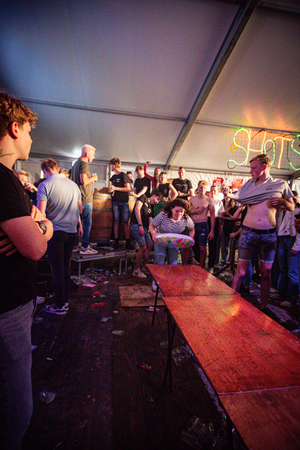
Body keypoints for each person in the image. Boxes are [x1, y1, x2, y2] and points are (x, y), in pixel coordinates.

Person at [0, 91, 53, 450]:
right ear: (14, 128)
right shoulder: (3, 179)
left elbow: (34, 232)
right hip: (6, 308)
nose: (32, 139)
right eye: (30, 130)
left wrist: (37, 224)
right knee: (15, 412)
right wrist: (41, 227)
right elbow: (35, 247)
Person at [230, 154, 294, 311]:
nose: (251, 171)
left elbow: (292, 206)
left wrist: (282, 201)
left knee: (266, 273)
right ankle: (229, 304)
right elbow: (238, 198)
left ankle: (264, 308)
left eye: (253, 168)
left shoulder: (280, 184)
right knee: (241, 271)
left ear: (264, 167)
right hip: (248, 232)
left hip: (268, 234)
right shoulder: (249, 185)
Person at [37, 158, 83, 315]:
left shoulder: (45, 185)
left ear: (44, 170)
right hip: (71, 232)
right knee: (65, 267)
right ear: (57, 167)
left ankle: (59, 305)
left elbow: (41, 215)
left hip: (55, 232)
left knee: (57, 269)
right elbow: (80, 210)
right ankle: (64, 300)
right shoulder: (74, 185)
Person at [149, 198, 195, 291]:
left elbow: (192, 229)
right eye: (176, 211)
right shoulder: (163, 215)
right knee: (160, 261)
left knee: (173, 263)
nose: (179, 214)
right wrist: (153, 233)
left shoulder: (186, 218)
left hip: (174, 241)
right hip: (161, 239)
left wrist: (191, 237)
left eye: (181, 211)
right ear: (171, 209)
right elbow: (152, 225)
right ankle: (156, 281)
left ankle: (170, 282)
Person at [70, 144, 98, 254]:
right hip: (85, 199)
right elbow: (84, 181)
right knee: (87, 222)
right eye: (92, 154)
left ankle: (76, 245)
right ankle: (85, 247)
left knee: (77, 223)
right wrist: (93, 178)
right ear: (87, 154)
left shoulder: (75, 164)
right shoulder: (84, 164)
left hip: (77, 198)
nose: (93, 157)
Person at [131, 190, 163, 278]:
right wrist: (140, 225)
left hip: (144, 227)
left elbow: (150, 221)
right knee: (143, 246)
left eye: (158, 201)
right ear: (153, 195)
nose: (156, 202)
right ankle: (136, 270)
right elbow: (137, 209)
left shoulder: (150, 207)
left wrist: (154, 229)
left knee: (150, 244)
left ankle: (145, 266)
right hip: (136, 225)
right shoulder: (143, 197)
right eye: (156, 199)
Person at [275, 201, 300, 308]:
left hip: (292, 239)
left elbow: (299, 231)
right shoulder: (280, 212)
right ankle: (282, 293)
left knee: (292, 271)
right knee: (283, 268)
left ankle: (291, 299)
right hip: (282, 239)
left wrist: (297, 245)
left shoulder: (296, 211)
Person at [189, 180, 215, 268]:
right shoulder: (192, 198)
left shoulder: (209, 200)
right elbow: (186, 211)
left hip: (203, 224)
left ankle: (202, 266)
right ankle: (191, 263)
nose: (202, 189)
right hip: (192, 225)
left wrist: (212, 230)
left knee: (202, 248)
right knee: (190, 245)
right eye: (201, 187)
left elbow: (212, 215)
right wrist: (194, 211)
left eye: (204, 188)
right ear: (198, 187)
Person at [109, 157, 132, 249]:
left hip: (124, 202)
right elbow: (111, 188)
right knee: (116, 221)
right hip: (115, 202)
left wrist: (115, 188)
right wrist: (110, 189)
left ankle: (127, 241)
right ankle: (116, 241)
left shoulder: (123, 175)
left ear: (114, 166)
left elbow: (128, 189)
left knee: (125, 222)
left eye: (110, 165)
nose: (110, 167)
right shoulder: (113, 177)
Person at [207, 185, 225, 272]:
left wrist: (220, 228)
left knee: (213, 245)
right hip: (205, 221)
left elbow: (221, 215)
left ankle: (211, 265)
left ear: (217, 192)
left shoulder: (219, 202)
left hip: (215, 221)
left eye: (214, 191)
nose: (212, 192)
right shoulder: (206, 199)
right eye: (211, 190)